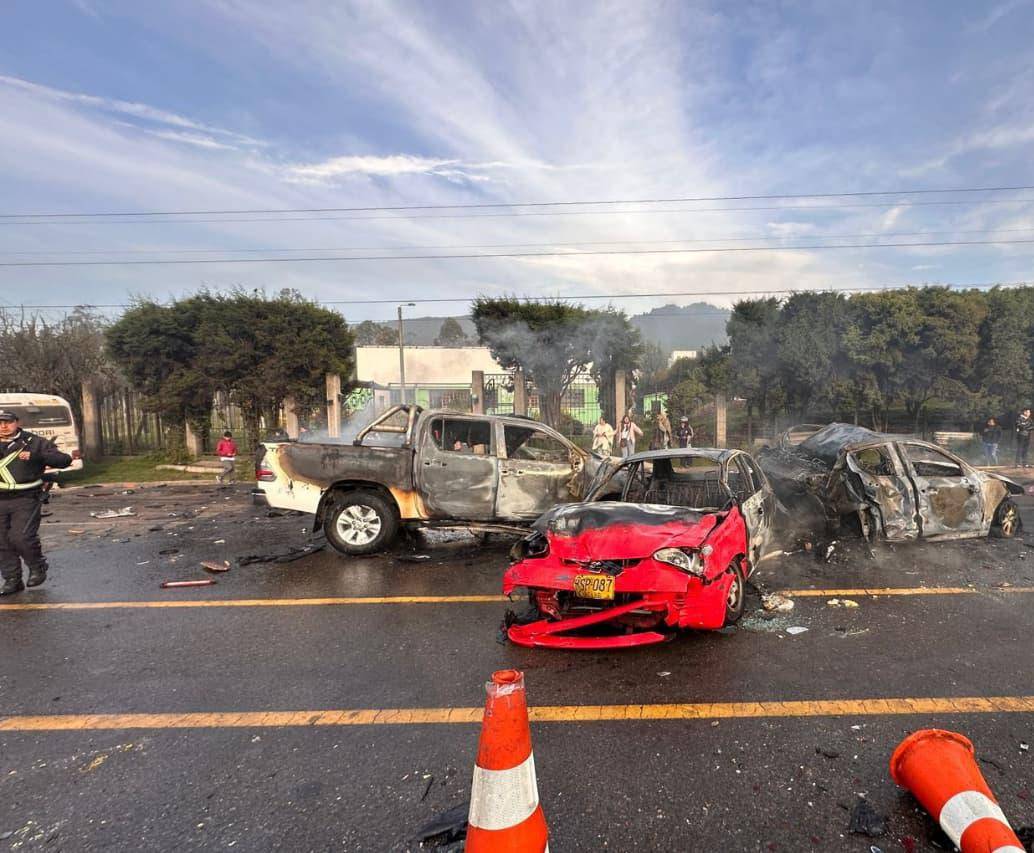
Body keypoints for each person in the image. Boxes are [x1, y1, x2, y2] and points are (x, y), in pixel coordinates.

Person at [0, 409, 72, 596]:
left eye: (8, 422)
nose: (3, 426)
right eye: (0, 422)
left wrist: (36, 456)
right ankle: (12, 580)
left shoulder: (33, 442)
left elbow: (64, 460)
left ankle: (38, 566)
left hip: (26, 498)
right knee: (2, 542)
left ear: (17, 422)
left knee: (21, 537)